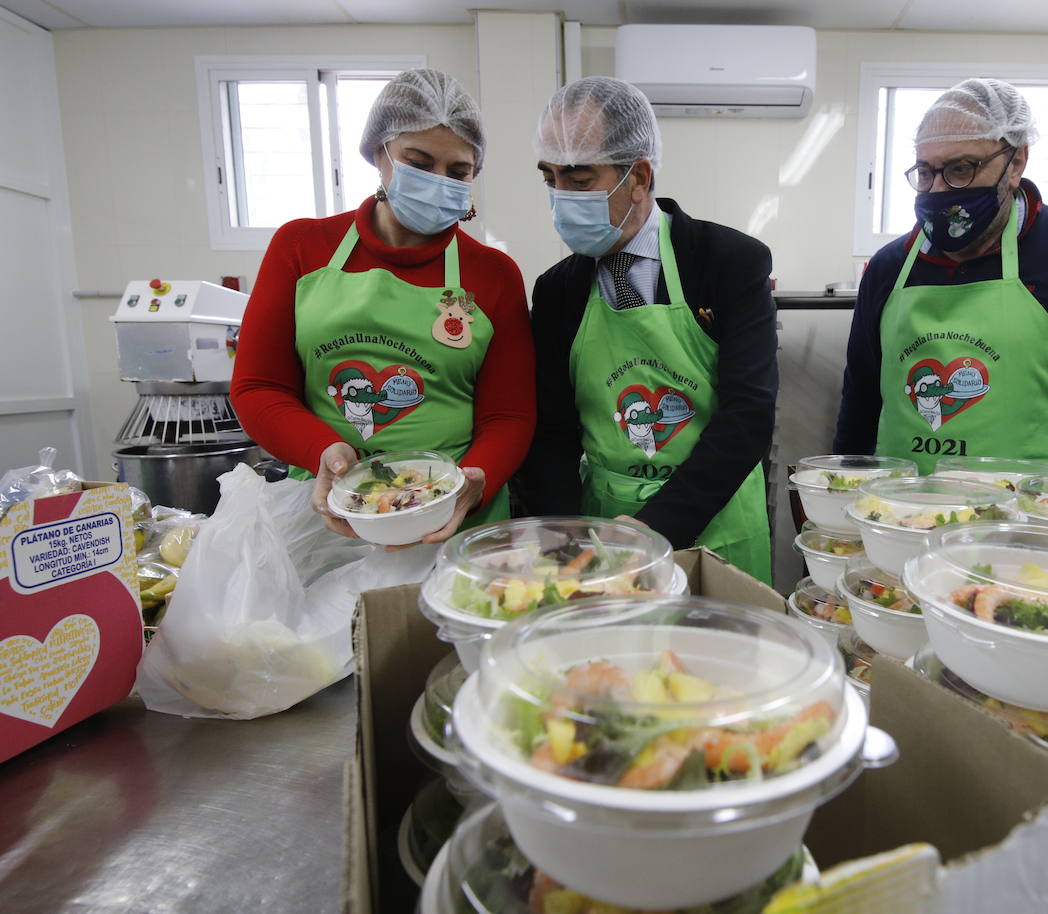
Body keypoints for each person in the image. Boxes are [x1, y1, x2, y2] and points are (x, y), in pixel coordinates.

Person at [231, 68, 536, 544]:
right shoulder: (301, 247)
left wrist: (475, 480)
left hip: (452, 518)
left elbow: (509, 414)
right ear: (379, 152)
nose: (439, 181)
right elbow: (259, 386)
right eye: (419, 162)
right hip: (329, 510)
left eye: (458, 171)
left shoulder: (493, 275)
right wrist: (322, 451)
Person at [833, 78, 1048, 478]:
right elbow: (861, 403)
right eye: (925, 172)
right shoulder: (890, 266)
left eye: (961, 169)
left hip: (1031, 524)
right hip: (900, 519)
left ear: (1016, 162)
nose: (939, 189)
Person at [517, 77, 778, 583]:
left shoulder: (730, 262)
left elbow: (748, 413)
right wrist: (562, 537)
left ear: (638, 177)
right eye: (549, 178)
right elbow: (552, 429)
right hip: (601, 529)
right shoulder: (556, 291)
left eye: (578, 180)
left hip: (713, 520)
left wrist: (653, 528)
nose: (558, 198)